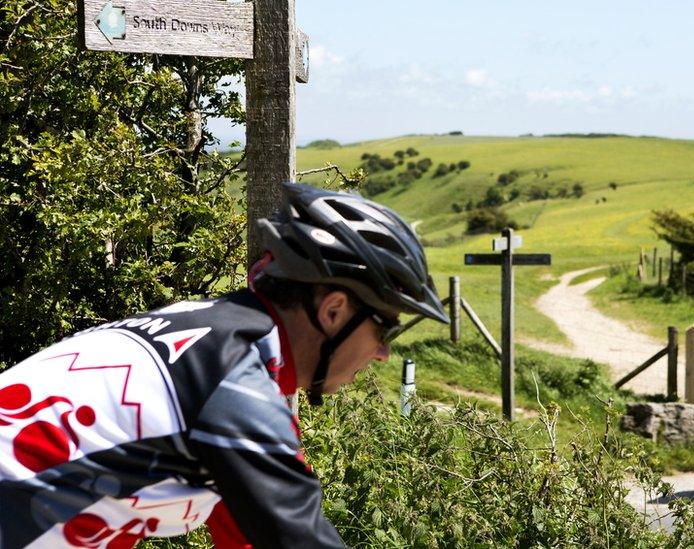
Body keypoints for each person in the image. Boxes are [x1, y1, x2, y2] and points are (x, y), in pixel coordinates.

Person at [0, 182, 448, 548]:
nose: (384, 353)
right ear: (333, 310)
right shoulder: (236, 382)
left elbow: (245, 534)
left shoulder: (201, 328)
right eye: (384, 329)